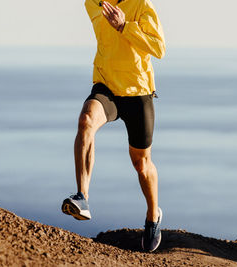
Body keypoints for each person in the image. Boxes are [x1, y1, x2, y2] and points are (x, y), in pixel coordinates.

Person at [61, 0, 165, 252]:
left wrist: (124, 26)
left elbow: (158, 48)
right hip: (106, 86)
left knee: (141, 164)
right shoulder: (92, 4)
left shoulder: (140, 4)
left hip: (138, 92)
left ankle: (153, 216)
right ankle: (82, 197)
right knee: (86, 120)